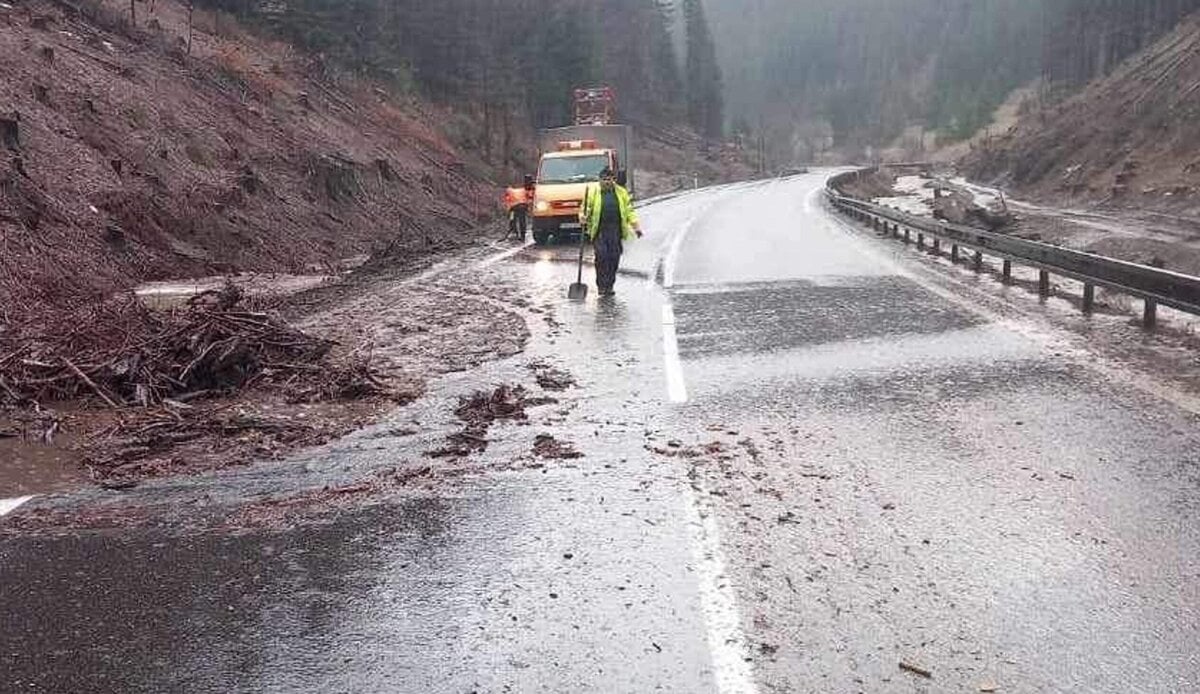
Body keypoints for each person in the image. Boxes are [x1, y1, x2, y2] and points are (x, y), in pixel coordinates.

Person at [580, 168, 642, 295]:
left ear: (613, 180)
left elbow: (629, 211)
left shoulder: (621, 192)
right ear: (600, 180)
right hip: (599, 230)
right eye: (604, 180)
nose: (607, 182)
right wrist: (583, 217)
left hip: (616, 230)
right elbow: (584, 209)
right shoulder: (593, 193)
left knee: (614, 257)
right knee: (602, 257)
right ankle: (601, 285)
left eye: (610, 179)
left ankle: (610, 285)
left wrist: (636, 227)